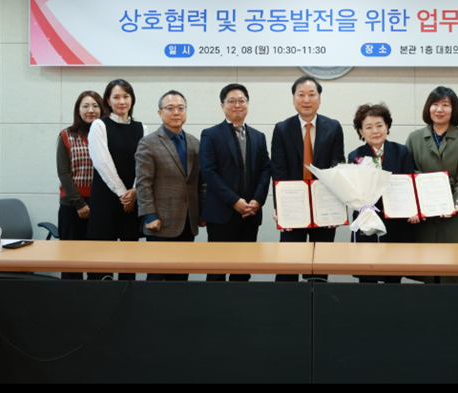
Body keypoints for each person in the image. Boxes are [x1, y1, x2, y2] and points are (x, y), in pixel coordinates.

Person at [272, 76, 344, 282]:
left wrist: (335, 209)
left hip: (324, 206)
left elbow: (337, 168)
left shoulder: (333, 127)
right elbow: (278, 171)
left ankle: (317, 300)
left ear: (319, 98)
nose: (306, 99)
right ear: (293, 99)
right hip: (293, 205)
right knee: (288, 264)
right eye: (301, 94)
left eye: (312, 94)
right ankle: (287, 301)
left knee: (319, 265)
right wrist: (280, 207)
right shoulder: (282, 129)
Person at [200, 84, 271, 282]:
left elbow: (266, 170)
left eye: (241, 101)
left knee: (243, 270)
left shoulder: (258, 136)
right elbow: (208, 172)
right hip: (221, 214)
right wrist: (234, 201)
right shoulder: (210, 134)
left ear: (248, 104)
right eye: (231, 101)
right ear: (222, 105)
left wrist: (258, 200)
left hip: (250, 214)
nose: (237, 105)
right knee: (217, 271)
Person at [405, 86, 458, 284]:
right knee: (428, 274)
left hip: (454, 216)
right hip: (424, 216)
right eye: (435, 104)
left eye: (445, 105)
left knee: (454, 274)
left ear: (454, 110)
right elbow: (407, 174)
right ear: (428, 108)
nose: (439, 109)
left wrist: (457, 203)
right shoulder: (414, 138)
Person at [135, 90, 205, 281]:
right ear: (160, 112)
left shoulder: (194, 143)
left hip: (187, 222)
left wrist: (202, 213)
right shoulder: (148, 143)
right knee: (156, 278)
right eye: (170, 108)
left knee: (180, 280)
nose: (176, 112)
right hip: (160, 222)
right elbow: (143, 183)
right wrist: (149, 215)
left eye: (181, 108)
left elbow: (201, 182)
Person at [348, 103, 418, 283]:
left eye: (379, 125)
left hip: (396, 222)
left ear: (387, 126)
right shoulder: (354, 156)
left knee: (393, 277)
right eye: (368, 127)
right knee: (367, 276)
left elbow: (409, 184)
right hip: (367, 222)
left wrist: (412, 209)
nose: (375, 131)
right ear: (361, 132)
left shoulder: (401, 151)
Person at [87, 79, 148, 281]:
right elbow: (102, 162)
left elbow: (144, 164)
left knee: (128, 258)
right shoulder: (99, 125)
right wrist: (123, 193)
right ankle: (100, 296)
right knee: (101, 257)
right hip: (106, 198)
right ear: (108, 100)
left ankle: (127, 296)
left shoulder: (142, 128)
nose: (122, 101)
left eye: (126, 96)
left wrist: (135, 191)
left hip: (132, 199)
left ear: (132, 99)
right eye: (116, 97)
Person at [56, 90, 106, 280]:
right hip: (72, 206)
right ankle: (71, 297)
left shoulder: (107, 135)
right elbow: (63, 173)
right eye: (85, 106)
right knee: (71, 261)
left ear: (102, 109)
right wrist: (79, 203)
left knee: (99, 261)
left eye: (95, 106)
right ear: (78, 110)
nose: (90, 110)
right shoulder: (66, 135)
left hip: (100, 205)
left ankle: (98, 296)